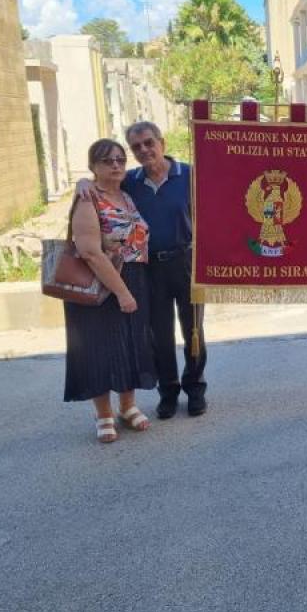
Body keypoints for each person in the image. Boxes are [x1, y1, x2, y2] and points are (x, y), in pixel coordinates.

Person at [79, 122, 206, 419]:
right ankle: (169, 392)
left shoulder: (189, 175)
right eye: (136, 147)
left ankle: (196, 388)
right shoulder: (131, 181)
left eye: (149, 143)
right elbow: (102, 187)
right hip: (150, 269)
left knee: (194, 331)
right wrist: (81, 183)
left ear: (161, 142)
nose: (144, 151)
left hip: (187, 263)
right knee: (158, 335)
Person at [64, 139, 157, 443]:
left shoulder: (126, 196)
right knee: (99, 350)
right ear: (93, 167)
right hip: (101, 283)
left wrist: (131, 289)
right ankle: (103, 414)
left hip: (133, 277)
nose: (115, 165)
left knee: (129, 343)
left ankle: (127, 406)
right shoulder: (88, 197)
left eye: (120, 159)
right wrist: (122, 293)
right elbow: (90, 252)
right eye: (107, 161)